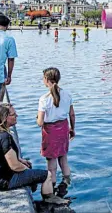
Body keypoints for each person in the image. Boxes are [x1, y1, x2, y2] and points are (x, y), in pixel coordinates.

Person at [0, 104, 68, 204]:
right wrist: (29, 171)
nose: (17, 116)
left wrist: (20, 160)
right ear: (5, 118)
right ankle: (49, 198)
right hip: (0, 181)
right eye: (13, 114)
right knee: (47, 175)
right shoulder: (4, 136)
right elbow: (15, 166)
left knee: (27, 165)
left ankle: (36, 189)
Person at [37, 68, 75, 198]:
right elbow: (72, 114)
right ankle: (66, 183)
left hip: (50, 132)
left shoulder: (44, 99)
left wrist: (37, 120)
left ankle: (51, 188)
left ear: (46, 80)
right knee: (63, 159)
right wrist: (72, 129)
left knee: (51, 165)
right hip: (64, 128)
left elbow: (40, 122)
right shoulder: (67, 94)